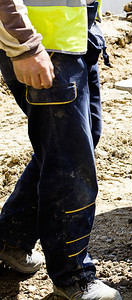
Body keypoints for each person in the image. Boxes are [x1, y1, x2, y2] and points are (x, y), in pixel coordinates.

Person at [0, 1, 121, 299]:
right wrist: (25, 45)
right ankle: (73, 277)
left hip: (75, 37)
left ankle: (12, 239)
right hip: (42, 45)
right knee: (69, 164)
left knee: (75, 144)